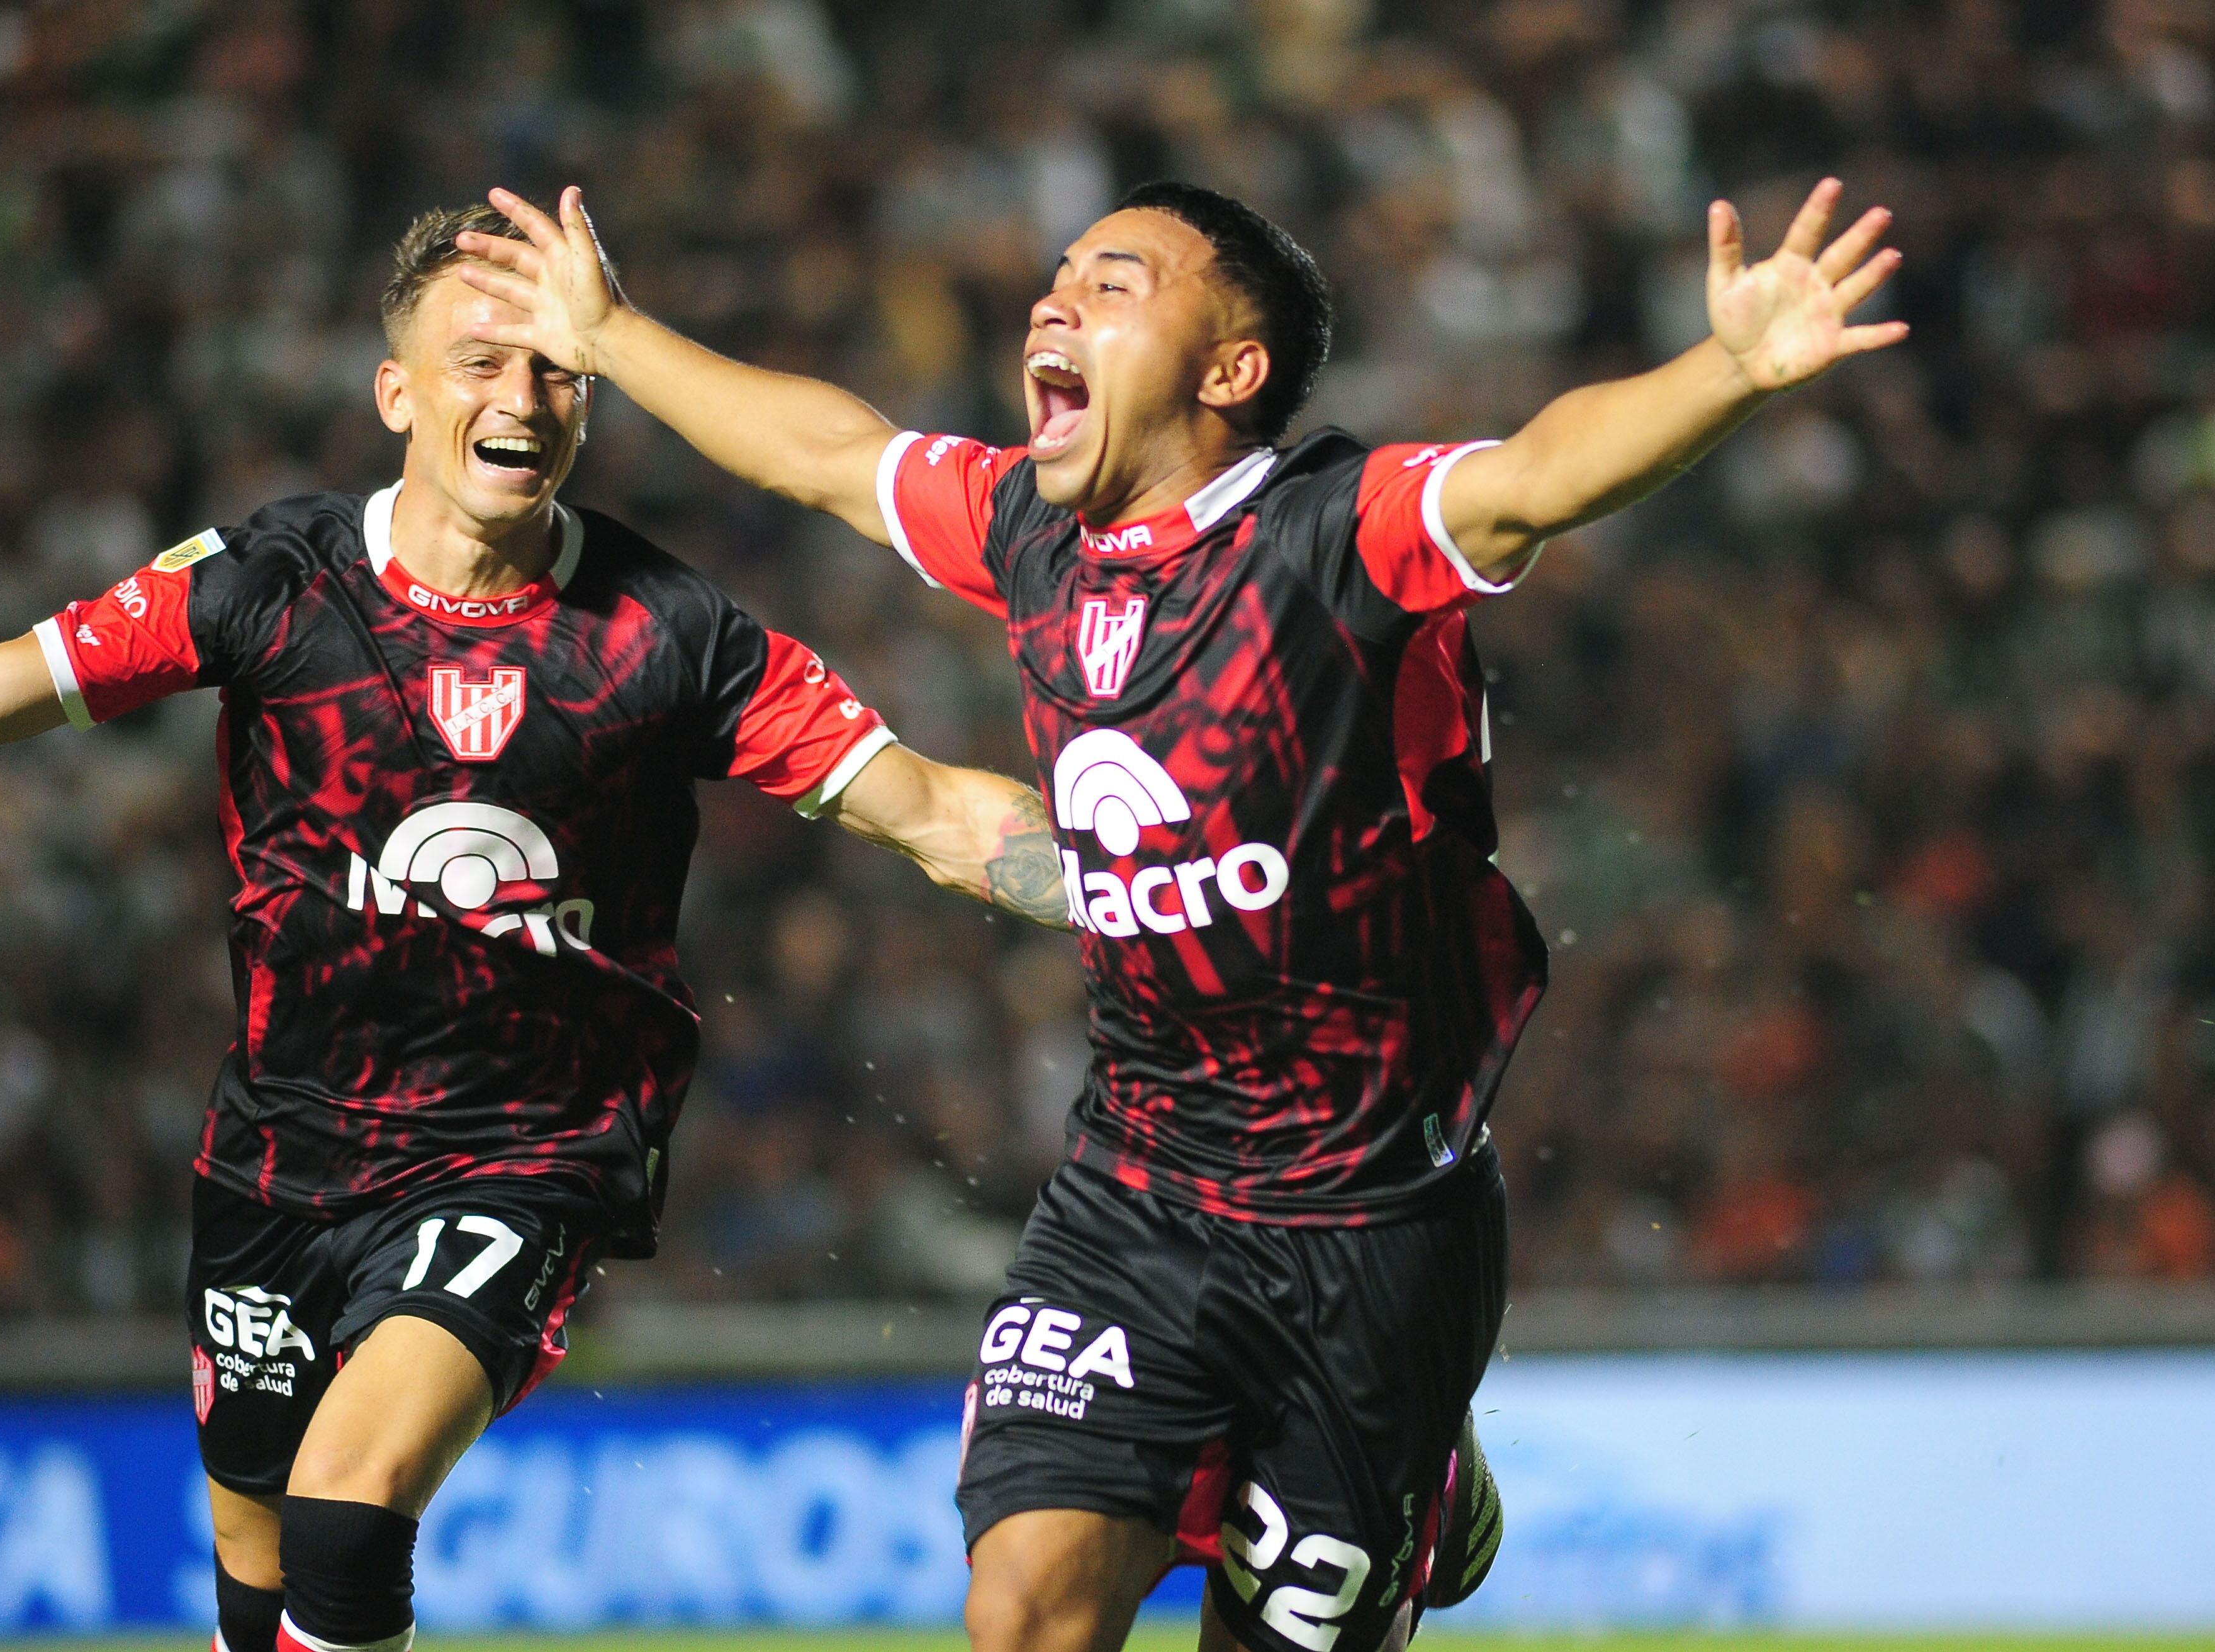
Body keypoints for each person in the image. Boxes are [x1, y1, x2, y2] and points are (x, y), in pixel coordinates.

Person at [457, 173, 1904, 1652]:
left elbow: (1534, 476)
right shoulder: (1030, 528)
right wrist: (612, 332)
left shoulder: (1338, 533)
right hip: (1134, 1190)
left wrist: (1726, 369)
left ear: (1231, 371)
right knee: (1022, 1611)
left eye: (1117, 280)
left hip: (1374, 1229)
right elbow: (835, 454)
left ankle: (1429, 1464)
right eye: (1061, 271)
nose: (1056, 298)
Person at [0, 203, 1067, 1652]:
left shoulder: (669, 635)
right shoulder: (268, 583)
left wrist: (1182, 863)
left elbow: (934, 811)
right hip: (278, 1152)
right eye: (481, 362)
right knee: (258, 1573)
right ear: (398, 393)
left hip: (523, 1153)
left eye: (557, 368)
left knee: (347, 1500)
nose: (522, 398)